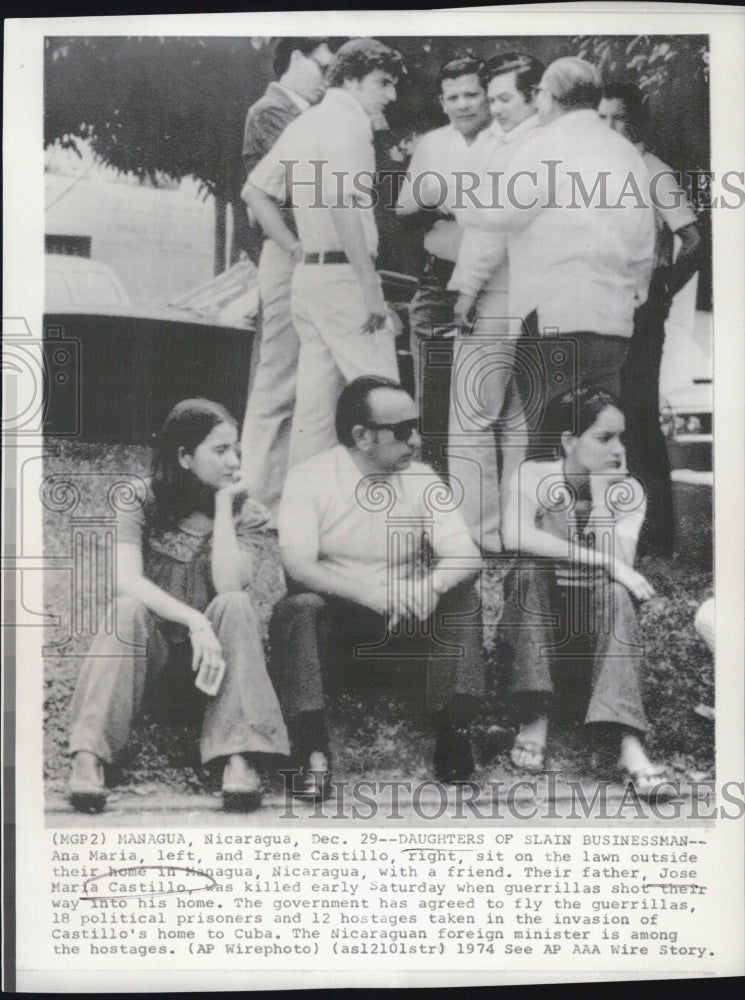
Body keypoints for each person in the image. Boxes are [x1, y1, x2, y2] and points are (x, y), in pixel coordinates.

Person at [66, 399, 290, 813]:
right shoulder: (141, 499)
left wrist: (225, 507)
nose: (233, 460)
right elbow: (126, 579)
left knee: (236, 603)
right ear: (185, 457)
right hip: (151, 658)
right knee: (127, 608)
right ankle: (88, 757)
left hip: (219, 668)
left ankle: (240, 759)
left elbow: (228, 582)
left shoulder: (248, 513)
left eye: (236, 449)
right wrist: (192, 621)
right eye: (220, 450)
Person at [269, 376, 485, 797]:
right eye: (402, 431)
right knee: (300, 607)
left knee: (464, 599)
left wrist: (432, 586)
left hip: (405, 628)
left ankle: (454, 733)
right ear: (362, 436)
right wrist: (368, 593)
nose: (417, 440)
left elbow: (467, 554)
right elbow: (296, 564)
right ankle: (311, 748)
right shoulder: (310, 478)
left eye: (417, 427)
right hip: (339, 631)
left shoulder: (421, 479)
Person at [460, 57, 655, 428]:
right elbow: (644, 239)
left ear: (547, 96)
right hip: (612, 322)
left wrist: (458, 199)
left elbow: (502, 212)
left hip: (554, 316)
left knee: (550, 441)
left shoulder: (545, 143)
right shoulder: (627, 153)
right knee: (596, 436)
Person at [243, 38, 405, 472]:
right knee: (386, 397)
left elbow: (255, 193)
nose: (390, 95)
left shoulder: (307, 122)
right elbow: (342, 202)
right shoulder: (348, 123)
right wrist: (371, 288)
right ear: (351, 79)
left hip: (310, 278)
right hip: (344, 278)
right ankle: (388, 520)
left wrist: (295, 248)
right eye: (382, 83)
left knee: (313, 413)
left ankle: (300, 519)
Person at [501, 387, 667, 799]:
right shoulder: (534, 476)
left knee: (615, 592)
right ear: (569, 442)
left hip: (596, 638)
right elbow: (515, 535)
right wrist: (604, 563)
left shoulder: (627, 493)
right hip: (538, 629)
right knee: (527, 570)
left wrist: (603, 501)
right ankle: (535, 715)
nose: (618, 449)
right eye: (604, 437)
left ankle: (627, 738)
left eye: (621, 438)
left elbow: (622, 565)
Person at [446, 52, 545, 554]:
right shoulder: (552, 142)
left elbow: (488, 231)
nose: (496, 107)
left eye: (505, 97)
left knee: (472, 418)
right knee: (515, 421)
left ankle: (477, 534)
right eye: (494, 98)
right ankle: (514, 529)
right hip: (534, 297)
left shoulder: (516, 148)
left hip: (498, 293)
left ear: (534, 95)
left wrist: (464, 291)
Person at [599, 82, 702, 556]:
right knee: (603, 414)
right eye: (600, 118)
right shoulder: (597, 169)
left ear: (635, 122)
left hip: (642, 308)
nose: (608, 127)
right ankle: (609, 528)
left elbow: (695, 239)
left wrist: (663, 288)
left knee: (638, 418)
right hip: (603, 303)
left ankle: (657, 537)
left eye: (617, 118)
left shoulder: (651, 169)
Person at [240, 37, 335, 525]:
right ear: (295, 59)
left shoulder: (300, 112)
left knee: (301, 380)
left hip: (311, 254)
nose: (328, 77)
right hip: (288, 252)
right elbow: (306, 184)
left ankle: (274, 498)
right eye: (322, 66)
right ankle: (253, 495)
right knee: (277, 377)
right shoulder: (271, 111)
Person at [395, 57, 493, 476]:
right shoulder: (433, 144)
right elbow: (403, 208)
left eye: (472, 94)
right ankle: (434, 499)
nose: (463, 105)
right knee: (432, 398)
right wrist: (437, 201)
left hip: (494, 282)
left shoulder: (509, 140)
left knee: (483, 401)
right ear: (441, 101)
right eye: (453, 97)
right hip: (439, 278)